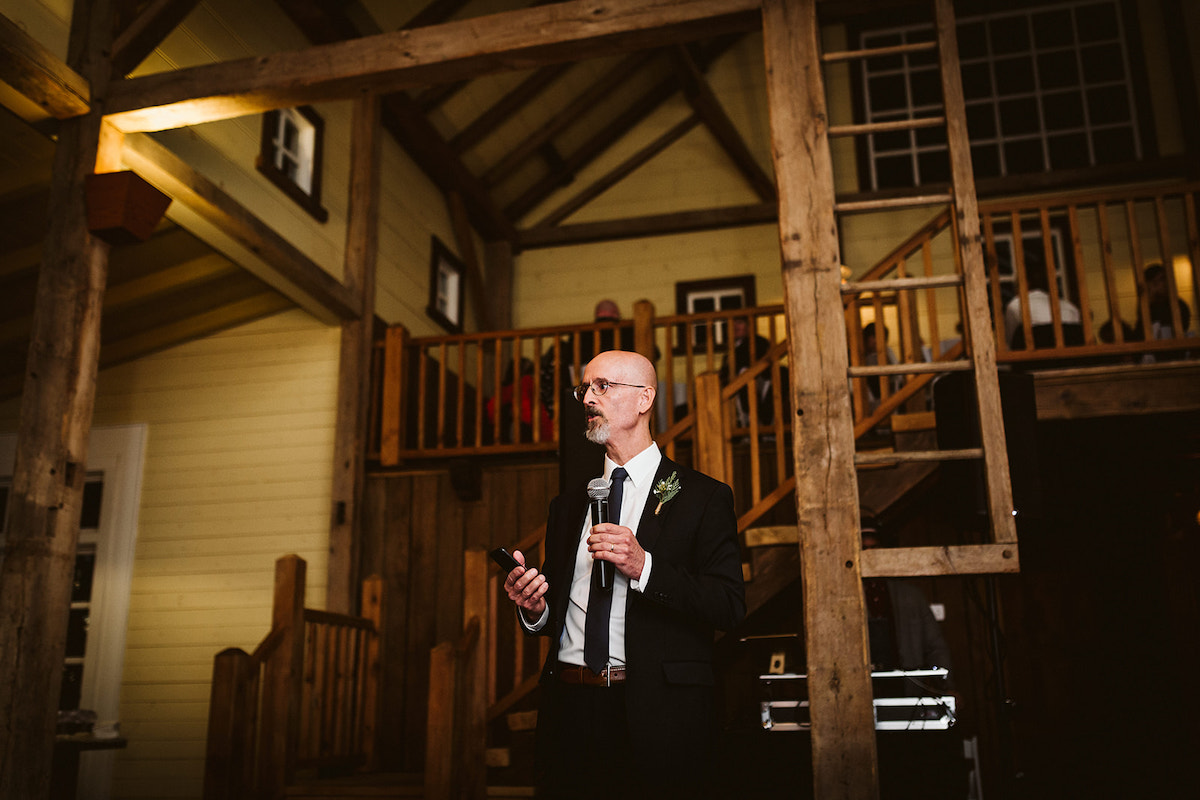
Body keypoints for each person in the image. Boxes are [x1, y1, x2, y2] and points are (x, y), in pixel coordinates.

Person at [501, 350, 746, 800]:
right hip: (569, 708)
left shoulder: (700, 497)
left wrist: (644, 567)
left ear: (644, 399)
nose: (588, 398)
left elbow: (728, 605)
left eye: (603, 386)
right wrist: (536, 608)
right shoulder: (569, 504)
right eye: (585, 389)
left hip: (656, 714)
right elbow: (565, 608)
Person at [718, 316, 774, 426]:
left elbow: (754, 364)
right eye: (732, 324)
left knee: (744, 375)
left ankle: (757, 422)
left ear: (748, 326)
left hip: (759, 381)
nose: (735, 327)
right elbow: (726, 371)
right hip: (735, 385)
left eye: (739, 323)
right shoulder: (731, 349)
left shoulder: (758, 342)